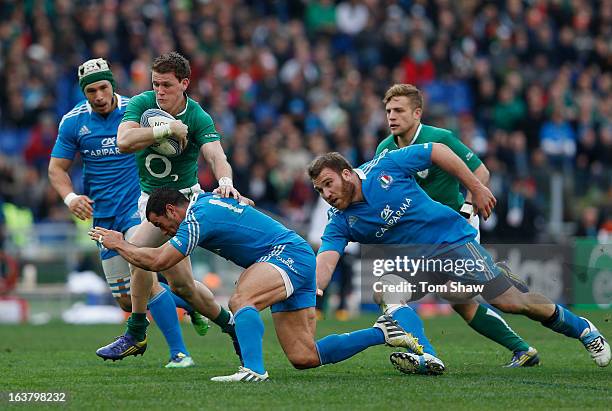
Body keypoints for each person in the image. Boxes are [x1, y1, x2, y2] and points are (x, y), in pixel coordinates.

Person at [308, 147, 611, 373]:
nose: (326, 193)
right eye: (320, 189)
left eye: (328, 183)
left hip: (452, 242)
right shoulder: (341, 221)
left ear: (346, 173)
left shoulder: (385, 166)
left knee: (510, 302)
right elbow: (326, 259)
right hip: (415, 264)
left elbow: (438, 152)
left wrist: (476, 187)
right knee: (386, 290)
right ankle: (427, 355)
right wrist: (312, 288)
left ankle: (583, 329)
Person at [89, 187, 425, 382]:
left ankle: (253, 370)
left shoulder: (195, 217)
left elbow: (160, 262)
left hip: (284, 254)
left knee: (241, 299)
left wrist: (119, 243)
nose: (161, 228)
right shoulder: (206, 203)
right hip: (292, 257)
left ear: (172, 208)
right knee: (304, 356)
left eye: (159, 221)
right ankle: (384, 331)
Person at [48, 58, 208, 368]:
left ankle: (179, 353)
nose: (98, 95)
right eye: (91, 90)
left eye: (103, 87)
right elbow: (57, 168)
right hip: (104, 216)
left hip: (140, 209)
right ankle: (190, 303)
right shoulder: (72, 122)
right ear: (83, 92)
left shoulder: (138, 111)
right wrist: (69, 198)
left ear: (113, 85)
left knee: (145, 275)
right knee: (127, 299)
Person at [374, 83, 537, 368]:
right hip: (421, 237)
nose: (391, 116)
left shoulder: (439, 138)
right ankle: (521, 349)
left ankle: (568, 327)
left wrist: (467, 207)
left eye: (398, 110)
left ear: (417, 113)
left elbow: (481, 172)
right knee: (452, 298)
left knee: (488, 297)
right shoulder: (384, 149)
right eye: (388, 111)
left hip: (455, 227)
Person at [94, 52, 241, 363]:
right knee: (184, 287)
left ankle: (135, 332)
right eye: (155, 84)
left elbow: (216, 156)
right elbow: (124, 140)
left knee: (137, 251)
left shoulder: (198, 116)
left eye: (166, 85)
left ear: (184, 83)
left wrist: (225, 180)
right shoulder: (142, 103)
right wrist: (165, 130)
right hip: (150, 201)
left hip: (182, 204)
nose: (159, 91)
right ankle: (231, 325)